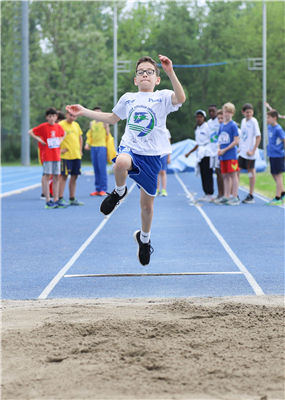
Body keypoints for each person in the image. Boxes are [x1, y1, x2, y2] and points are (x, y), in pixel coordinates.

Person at [66, 54, 186, 265]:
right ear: (135, 79)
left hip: (151, 157)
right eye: (141, 72)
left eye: (150, 72)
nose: (145, 75)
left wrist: (170, 72)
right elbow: (112, 119)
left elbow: (181, 98)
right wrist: (84, 111)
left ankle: (144, 239)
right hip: (130, 147)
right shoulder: (128, 98)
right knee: (120, 162)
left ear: (157, 79)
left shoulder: (163, 97)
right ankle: (119, 191)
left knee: (147, 207)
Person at [28, 107, 66, 209]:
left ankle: (56, 199)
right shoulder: (43, 126)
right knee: (47, 176)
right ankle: (48, 199)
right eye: (50, 116)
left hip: (56, 156)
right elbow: (30, 131)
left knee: (56, 177)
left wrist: (60, 141)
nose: (52, 118)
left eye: (54, 116)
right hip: (47, 156)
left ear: (56, 117)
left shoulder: (58, 127)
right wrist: (40, 140)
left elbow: (64, 133)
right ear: (46, 117)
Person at [185, 110, 214, 202]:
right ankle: (206, 193)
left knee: (208, 173)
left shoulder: (207, 127)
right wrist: (189, 152)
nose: (198, 118)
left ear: (204, 118)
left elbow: (212, 140)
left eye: (200, 117)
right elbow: (198, 144)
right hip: (200, 153)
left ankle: (210, 193)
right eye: (197, 117)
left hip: (207, 152)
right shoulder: (197, 129)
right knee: (203, 173)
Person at [215, 102, 240, 205]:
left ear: (232, 113)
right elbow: (220, 140)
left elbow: (236, 141)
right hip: (223, 155)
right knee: (225, 175)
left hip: (231, 155)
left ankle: (235, 196)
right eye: (225, 112)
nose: (227, 114)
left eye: (229, 112)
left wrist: (225, 150)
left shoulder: (233, 125)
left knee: (233, 175)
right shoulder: (221, 126)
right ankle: (226, 196)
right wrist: (219, 149)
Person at [58, 111, 84, 206]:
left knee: (75, 176)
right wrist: (59, 150)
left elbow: (80, 137)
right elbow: (55, 137)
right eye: (71, 115)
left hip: (76, 155)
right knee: (64, 176)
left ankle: (72, 198)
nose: (72, 117)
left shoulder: (76, 125)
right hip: (66, 156)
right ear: (66, 114)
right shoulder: (60, 124)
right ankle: (60, 198)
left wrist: (80, 150)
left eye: (75, 116)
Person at [238, 103, 261, 204]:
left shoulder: (254, 121)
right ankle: (235, 193)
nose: (249, 114)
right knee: (237, 171)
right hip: (242, 152)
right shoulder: (243, 121)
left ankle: (251, 195)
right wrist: (240, 148)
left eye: (250, 112)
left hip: (250, 153)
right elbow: (243, 136)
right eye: (247, 112)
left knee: (251, 172)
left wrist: (253, 150)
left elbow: (258, 137)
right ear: (243, 112)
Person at [84, 106, 109, 196]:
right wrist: (87, 143)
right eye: (96, 112)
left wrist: (109, 151)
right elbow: (89, 135)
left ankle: (103, 189)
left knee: (102, 168)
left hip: (102, 146)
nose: (97, 113)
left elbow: (108, 136)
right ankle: (97, 189)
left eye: (99, 112)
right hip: (93, 147)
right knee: (96, 168)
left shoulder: (105, 123)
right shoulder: (91, 123)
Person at [265, 109, 285, 206]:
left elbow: (284, 140)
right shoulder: (269, 127)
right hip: (271, 154)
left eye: (268, 118)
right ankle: (283, 192)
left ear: (274, 118)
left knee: (278, 175)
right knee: (274, 174)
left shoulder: (278, 129)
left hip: (278, 155)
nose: (267, 120)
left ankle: (278, 198)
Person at [208, 104, 224, 200]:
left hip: (221, 150)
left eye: (213, 111)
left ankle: (224, 194)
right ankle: (220, 193)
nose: (211, 113)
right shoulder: (209, 123)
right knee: (217, 172)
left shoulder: (221, 123)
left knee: (222, 172)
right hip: (212, 150)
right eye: (209, 111)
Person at [156, 128, 171, 196]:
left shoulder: (166, 130)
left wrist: (168, 157)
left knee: (163, 171)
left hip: (164, 153)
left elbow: (168, 144)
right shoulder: (154, 128)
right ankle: (157, 189)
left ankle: (164, 189)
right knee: (156, 172)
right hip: (155, 153)